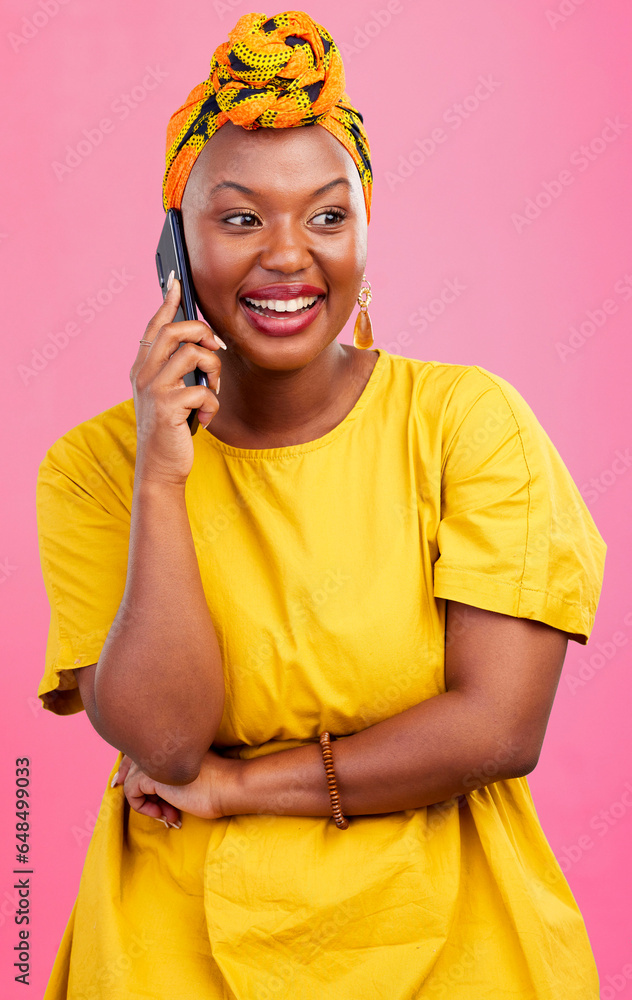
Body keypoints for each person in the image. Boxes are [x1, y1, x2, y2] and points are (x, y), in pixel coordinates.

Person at [36, 11, 607, 999]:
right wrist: (163, 475)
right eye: (240, 216)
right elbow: (164, 741)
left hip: (460, 950)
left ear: (365, 230)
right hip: (171, 957)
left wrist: (242, 785)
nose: (289, 254)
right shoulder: (97, 469)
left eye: (327, 214)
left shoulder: (465, 424)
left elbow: (498, 726)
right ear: (175, 241)